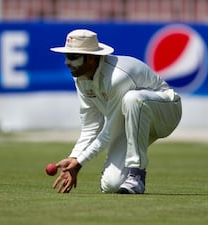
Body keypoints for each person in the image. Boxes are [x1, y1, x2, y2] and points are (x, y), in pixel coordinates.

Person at [49, 29, 182, 194]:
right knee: (112, 185)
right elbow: (91, 125)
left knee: (133, 99)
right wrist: (74, 157)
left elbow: (110, 130)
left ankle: (136, 176)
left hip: (166, 112)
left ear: (91, 57)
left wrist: (81, 162)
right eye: (66, 57)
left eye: (73, 57)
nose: (67, 63)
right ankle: (128, 178)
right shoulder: (80, 78)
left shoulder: (117, 77)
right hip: (132, 122)